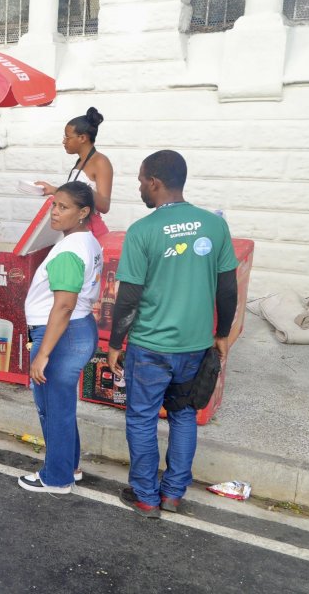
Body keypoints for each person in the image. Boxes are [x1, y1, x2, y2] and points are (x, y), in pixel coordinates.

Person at [108, 150, 238, 518]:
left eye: (140, 180)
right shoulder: (213, 225)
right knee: (183, 416)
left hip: (149, 347)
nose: (139, 188)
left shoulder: (143, 231)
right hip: (195, 346)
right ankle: (173, 494)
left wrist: (116, 343)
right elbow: (227, 288)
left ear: (155, 182)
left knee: (142, 419)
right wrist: (222, 333)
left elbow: (129, 297)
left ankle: (146, 496)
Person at [19, 181, 102, 494]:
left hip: (62, 335)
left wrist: (43, 354)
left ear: (83, 212)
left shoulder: (71, 249)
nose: (54, 212)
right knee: (61, 405)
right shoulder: (87, 242)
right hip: (76, 330)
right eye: (54, 205)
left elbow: (64, 305)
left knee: (54, 408)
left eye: (63, 207)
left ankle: (56, 478)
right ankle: (71, 466)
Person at [35, 107, 113, 238]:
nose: (64, 141)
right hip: (77, 232)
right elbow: (74, 196)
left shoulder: (100, 162)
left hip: (92, 234)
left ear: (82, 138)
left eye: (67, 137)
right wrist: (53, 189)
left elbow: (104, 206)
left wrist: (83, 189)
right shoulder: (80, 161)